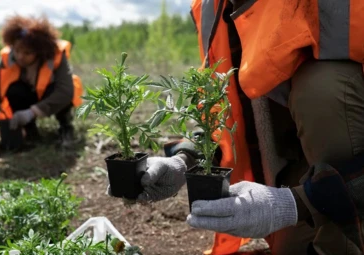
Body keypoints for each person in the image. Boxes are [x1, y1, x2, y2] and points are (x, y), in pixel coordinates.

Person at [108, 1, 364, 254]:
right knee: (293, 248)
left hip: (350, 171)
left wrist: (298, 202)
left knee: (322, 89)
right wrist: (185, 159)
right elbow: (230, 115)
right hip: (315, 173)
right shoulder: (214, 8)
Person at [0, 15, 83, 157]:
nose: (20, 56)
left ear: (39, 52)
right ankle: (30, 133)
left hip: (50, 97)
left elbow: (65, 91)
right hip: (28, 97)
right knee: (14, 91)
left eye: (27, 53)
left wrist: (32, 112)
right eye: (17, 50)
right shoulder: (8, 58)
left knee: (63, 93)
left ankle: (65, 127)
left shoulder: (55, 56)